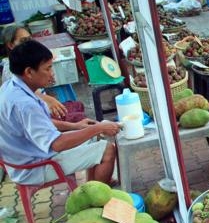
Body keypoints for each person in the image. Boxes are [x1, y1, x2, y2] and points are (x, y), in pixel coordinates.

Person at [0, 40, 120, 185]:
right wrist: (98, 128)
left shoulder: (9, 87)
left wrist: (76, 126)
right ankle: (95, 199)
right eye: (48, 69)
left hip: (27, 157)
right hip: (34, 167)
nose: (51, 74)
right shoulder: (25, 105)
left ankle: (91, 185)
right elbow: (57, 144)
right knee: (107, 150)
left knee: (94, 138)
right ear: (29, 72)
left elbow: (39, 124)